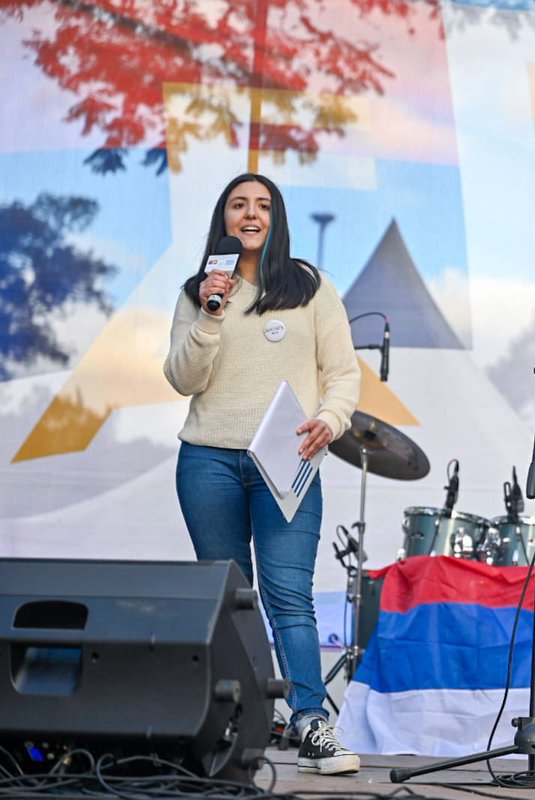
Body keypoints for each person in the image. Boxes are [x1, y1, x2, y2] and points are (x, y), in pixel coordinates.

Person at [164, 173, 362, 776]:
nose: (250, 213)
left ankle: (311, 722)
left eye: (262, 205)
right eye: (238, 204)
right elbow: (183, 379)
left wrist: (330, 419)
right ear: (223, 219)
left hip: (288, 460)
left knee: (287, 595)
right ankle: (237, 720)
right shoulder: (199, 292)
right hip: (209, 461)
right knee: (231, 599)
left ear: (276, 218)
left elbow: (344, 373)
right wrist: (210, 314)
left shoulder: (310, 287)